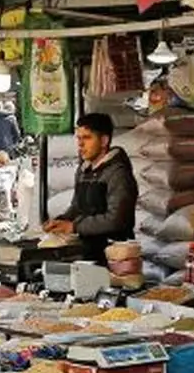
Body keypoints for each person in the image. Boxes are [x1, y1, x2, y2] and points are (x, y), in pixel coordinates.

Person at [43, 112, 138, 264]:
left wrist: (74, 226)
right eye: (79, 138)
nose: (80, 144)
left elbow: (116, 219)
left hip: (115, 256)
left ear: (104, 141)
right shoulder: (83, 171)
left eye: (87, 138)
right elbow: (77, 207)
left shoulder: (118, 174)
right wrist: (61, 221)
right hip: (88, 252)